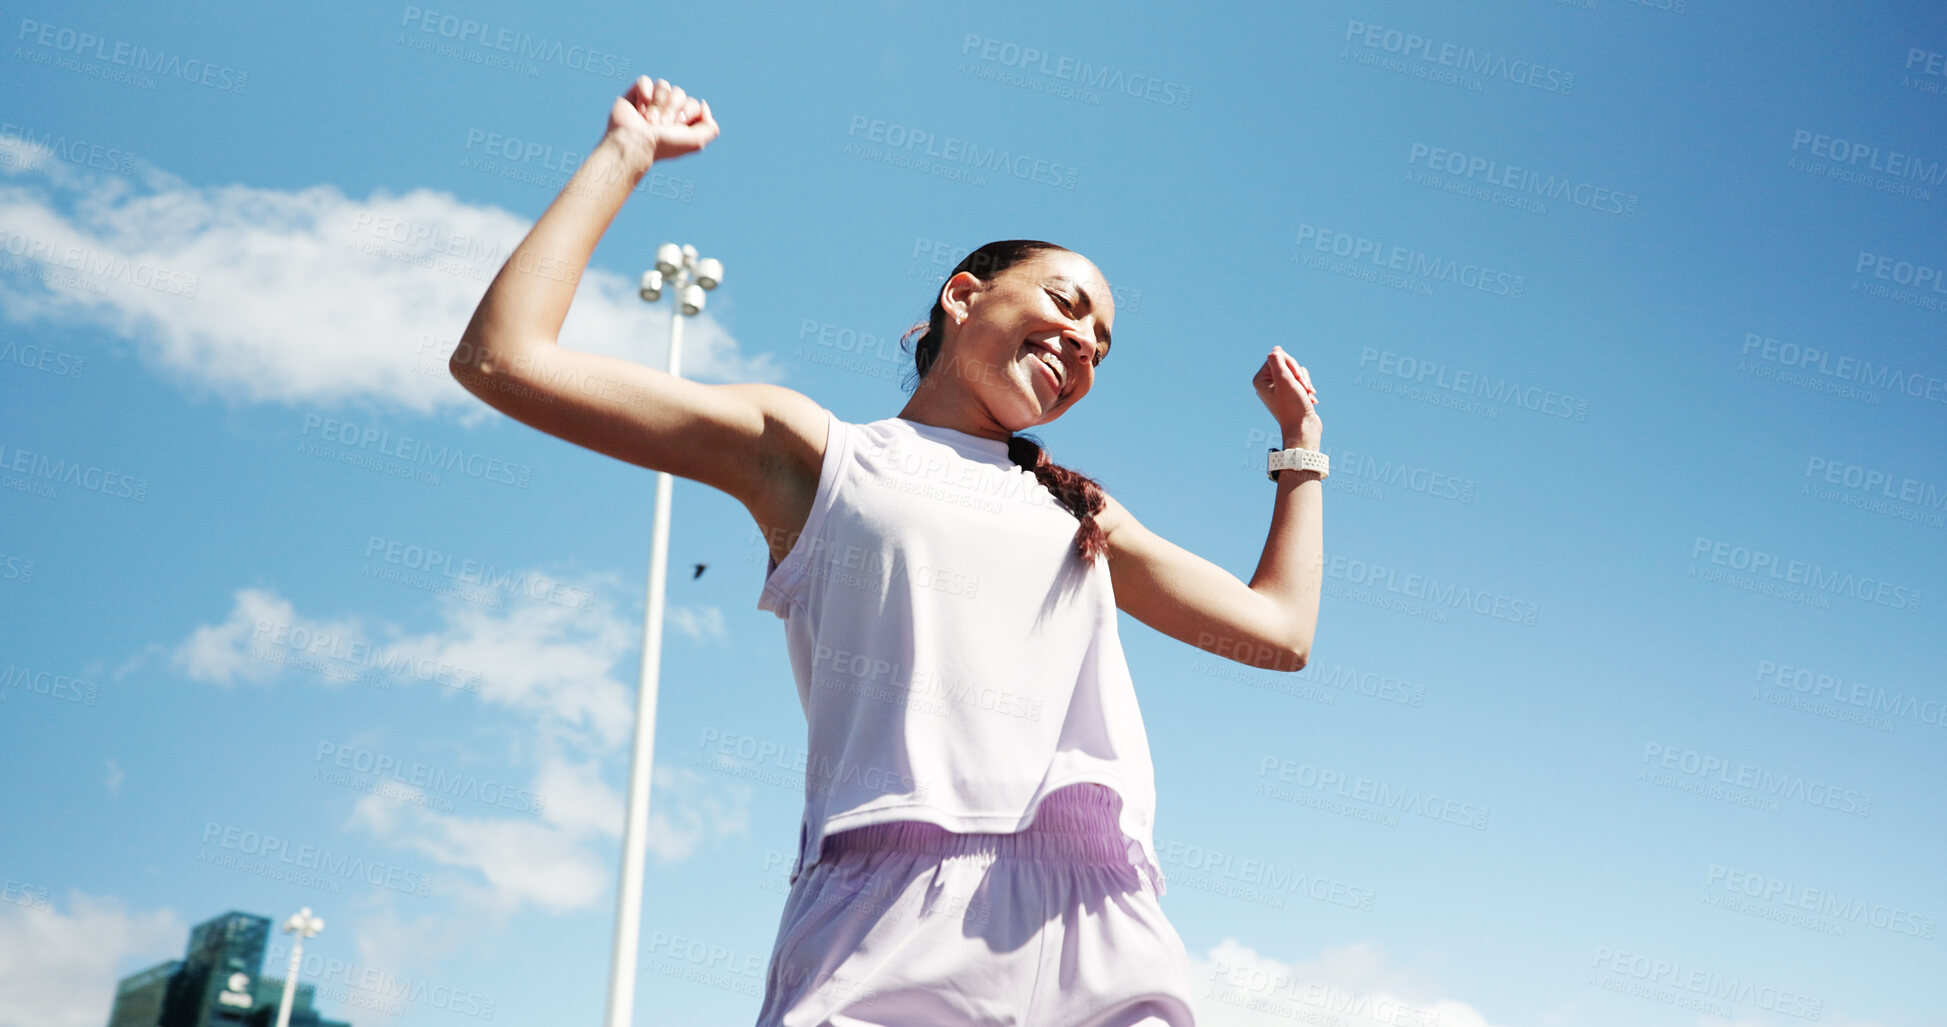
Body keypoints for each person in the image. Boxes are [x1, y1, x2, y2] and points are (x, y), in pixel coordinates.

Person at [450, 76, 1324, 1027]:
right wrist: (625, 153)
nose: (1082, 344)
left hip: (1100, 918)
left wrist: (1299, 450)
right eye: (1068, 307)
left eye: (1101, 348)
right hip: (888, 913)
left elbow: (1277, 632)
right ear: (963, 296)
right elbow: (504, 361)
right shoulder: (818, 456)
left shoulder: (1078, 510)